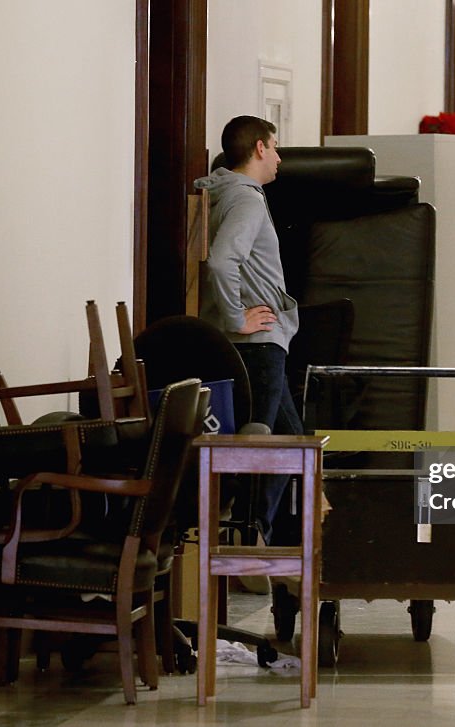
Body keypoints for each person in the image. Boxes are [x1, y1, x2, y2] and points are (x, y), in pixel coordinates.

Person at [194, 115, 302, 546]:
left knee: (292, 440)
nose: (278, 157)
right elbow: (223, 261)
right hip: (257, 341)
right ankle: (249, 530)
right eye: (274, 147)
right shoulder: (247, 199)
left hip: (253, 340)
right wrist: (238, 316)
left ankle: (266, 533)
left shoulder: (221, 192)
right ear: (258, 148)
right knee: (269, 440)